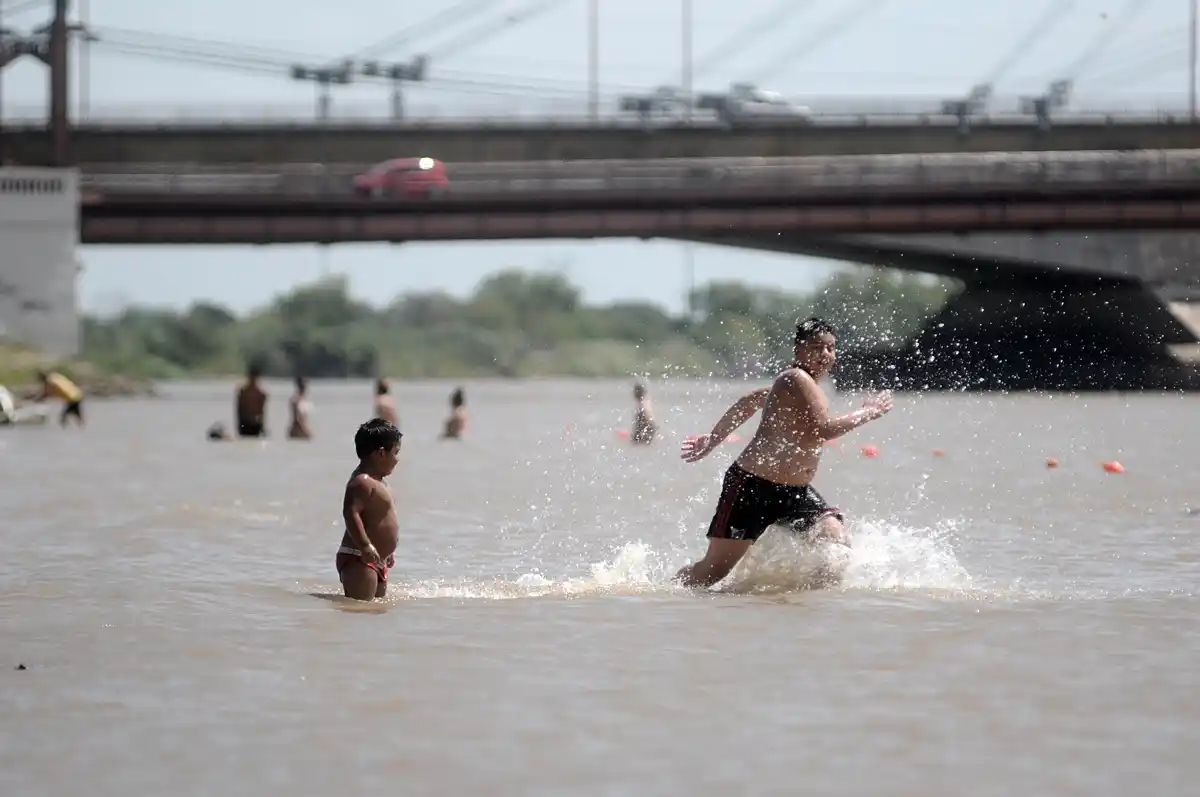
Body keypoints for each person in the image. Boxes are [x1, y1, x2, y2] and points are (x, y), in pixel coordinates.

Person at [673, 317, 893, 589]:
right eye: (816, 347)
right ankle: (667, 593)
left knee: (834, 539)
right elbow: (823, 429)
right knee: (712, 572)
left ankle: (802, 606)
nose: (825, 354)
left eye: (831, 348)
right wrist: (868, 412)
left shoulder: (797, 384)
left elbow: (750, 401)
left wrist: (713, 438)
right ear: (799, 351)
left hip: (794, 492)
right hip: (752, 487)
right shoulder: (795, 378)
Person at [336, 418, 403, 601]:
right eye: (396, 453)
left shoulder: (380, 483)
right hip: (359, 557)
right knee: (361, 608)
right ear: (381, 453)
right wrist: (365, 545)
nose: (397, 460)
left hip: (378, 558)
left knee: (376, 611)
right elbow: (351, 514)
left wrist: (388, 551)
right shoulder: (361, 482)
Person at [235, 364, 268, 438]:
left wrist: (263, 426)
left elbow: (262, 411)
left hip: (255, 423)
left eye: (255, 378)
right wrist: (239, 425)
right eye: (252, 377)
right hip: (245, 422)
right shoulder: (243, 392)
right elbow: (239, 410)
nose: (253, 380)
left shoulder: (261, 394)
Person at [288, 376, 313, 440]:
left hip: (296, 429)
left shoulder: (297, 399)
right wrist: (306, 432)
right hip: (299, 431)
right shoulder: (298, 400)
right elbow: (298, 418)